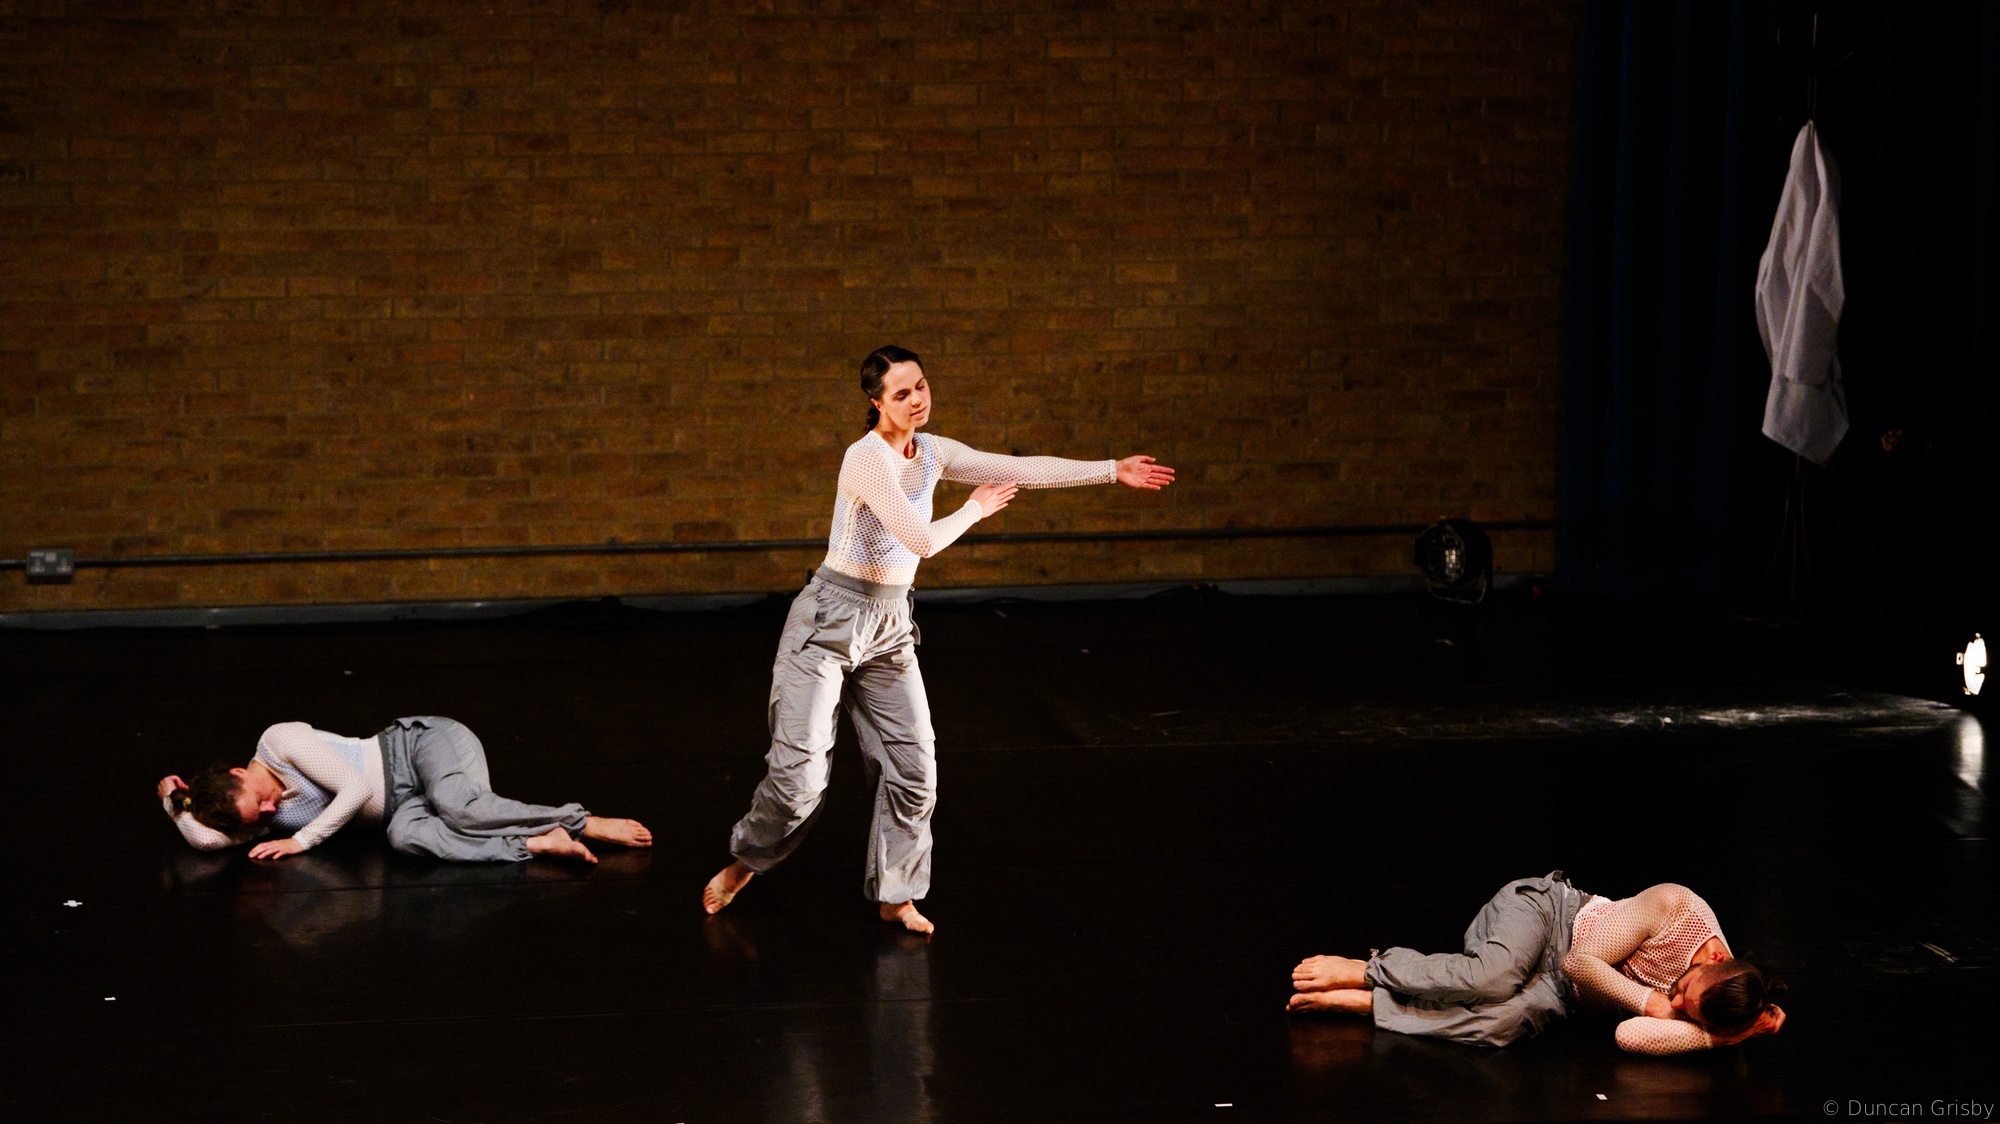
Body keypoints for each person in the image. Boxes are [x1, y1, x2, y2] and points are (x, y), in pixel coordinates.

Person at [702, 344, 1175, 933]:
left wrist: (1110, 469)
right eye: (901, 393)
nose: (917, 400)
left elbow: (1019, 468)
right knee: (800, 782)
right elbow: (920, 540)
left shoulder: (933, 451)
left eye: (921, 386)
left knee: (916, 771)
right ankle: (745, 863)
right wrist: (974, 509)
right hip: (828, 623)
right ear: (877, 402)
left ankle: (896, 894)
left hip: (889, 627)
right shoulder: (865, 458)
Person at [1285, 873, 1787, 1055]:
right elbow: (1581, 960)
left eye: (1688, 1013)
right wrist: (1651, 1001)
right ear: (1716, 957)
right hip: (1550, 918)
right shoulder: (1677, 907)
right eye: (1684, 991)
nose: (1677, 1004)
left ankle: (1372, 1004)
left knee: (1495, 1027)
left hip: (1564, 994)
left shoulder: (1717, 1008)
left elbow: (1627, 1036)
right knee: (1492, 979)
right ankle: (1369, 969)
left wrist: (1726, 1037)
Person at [158, 716, 652, 863]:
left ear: (240, 771)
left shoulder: (278, 742)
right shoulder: (256, 818)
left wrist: (302, 841)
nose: (270, 811)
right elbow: (207, 841)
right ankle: (537, 843)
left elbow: (354, 790)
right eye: (260, 817)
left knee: (459, 809)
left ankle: (581, 821)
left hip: (419, 747)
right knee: (406, 839)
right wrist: (175, 804)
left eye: (262, 800)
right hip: (402, 806)